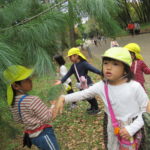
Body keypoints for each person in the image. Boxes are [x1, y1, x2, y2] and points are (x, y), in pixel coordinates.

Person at [54, 47, 149, 150]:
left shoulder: (135, 87)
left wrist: (131, 129)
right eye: (106, 63)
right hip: (111, 124)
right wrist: (64, 97)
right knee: (112, 146)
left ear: (125, 69)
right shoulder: (102, 86)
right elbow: (84, 93)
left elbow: (146, 111)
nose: (108, 67)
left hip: (133, 125)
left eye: (115, 64)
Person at [3, 65, 59, 150]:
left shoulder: (13, 103)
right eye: (27, 79)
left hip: (32, 137)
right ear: (16, 86)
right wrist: (53, 105)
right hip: (43, 134)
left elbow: (18, 120)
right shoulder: (33, 100)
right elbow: (48, 117)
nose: (31, 80)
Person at [54, 47, 102, 115]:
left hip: (87, 82)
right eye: (69, 57)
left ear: (76, 55)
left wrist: (102, 74)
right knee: (86, 97)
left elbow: (94, 69)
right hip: (81, 84)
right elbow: (68, 74)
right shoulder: (73, 66)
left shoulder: (84, 63)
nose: (70, 59)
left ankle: (96, 108)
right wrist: (61, 81)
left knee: (90, 96)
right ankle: (92, 107)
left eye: (71, 57)